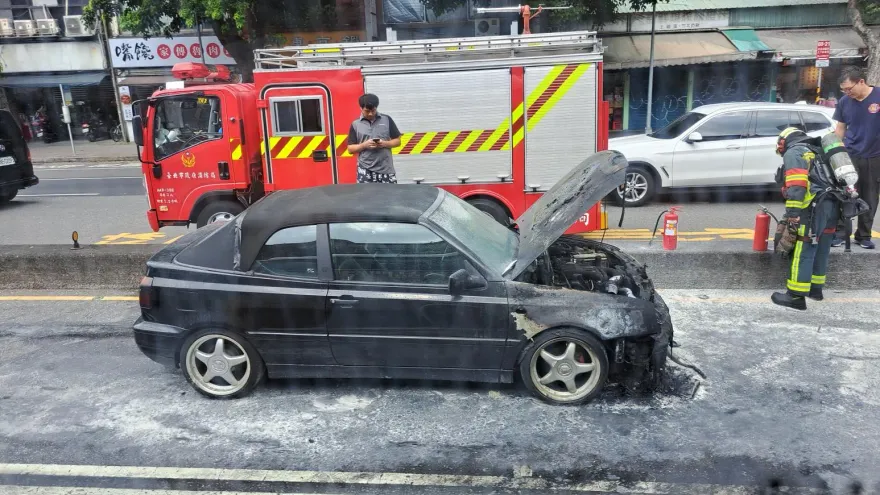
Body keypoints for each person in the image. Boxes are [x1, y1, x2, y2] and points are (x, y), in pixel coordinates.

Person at [771, 127, 841, 310]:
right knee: (822, 248)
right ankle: (815, 290)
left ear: (783, 142)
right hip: (832, 205)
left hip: (811, 208)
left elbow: (797, 185)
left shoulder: (795, 152)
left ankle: (795, 296)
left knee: (803, 248)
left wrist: (793, 215)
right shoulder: (818, 151)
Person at [831, 66, 880, 249]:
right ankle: (840, 233)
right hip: (849, 155)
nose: (846, 92)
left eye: (849, 88)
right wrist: (835, 151)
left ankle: (863, 235)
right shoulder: (845, 102)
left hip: (875, 156)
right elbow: (841, 128)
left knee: (870, 197)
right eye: (843, 90)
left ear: (861, 82)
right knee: (845, 195)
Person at [346, 93, 402, 184]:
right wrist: (364, 145)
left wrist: (384, 143)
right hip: (365, 170)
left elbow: (398, 141)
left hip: (386, 169)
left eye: (373, 110)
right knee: (367, 198)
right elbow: (350, 149)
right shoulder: (355, 124)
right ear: (361, 108)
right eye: (367, 111)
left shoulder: (387, 119)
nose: (371, 113)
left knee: (390, 197)